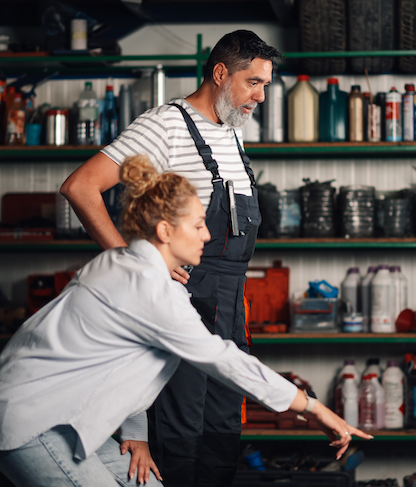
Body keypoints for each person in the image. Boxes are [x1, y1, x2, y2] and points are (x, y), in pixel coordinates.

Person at [0, 156, 371, 487]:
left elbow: (117, 363)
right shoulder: (149, 289)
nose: (207, 235)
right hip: (28, 422)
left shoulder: (131, 268)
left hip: (56, 414)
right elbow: (223, 360)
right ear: (164, 230)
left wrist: (136, 436)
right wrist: (313, 408)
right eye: (197, 224)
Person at [60, 30, 282, 486]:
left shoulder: (232, 133)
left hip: (230, 306)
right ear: (221, 73)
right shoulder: (164, 126)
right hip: (183, 302)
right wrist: (132, 263)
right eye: (253, 83)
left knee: (222, 434)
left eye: (265, 85)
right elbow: (80, 187)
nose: (260, 96)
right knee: (180, 436)